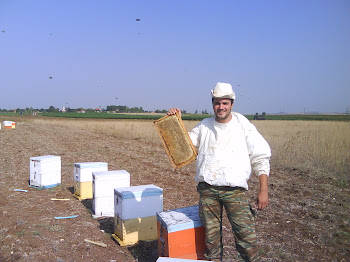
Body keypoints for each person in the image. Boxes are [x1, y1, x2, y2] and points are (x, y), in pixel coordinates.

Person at [167, 82, 271, 262]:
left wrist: (263, 190)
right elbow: (183, 147)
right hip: (208, 191)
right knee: (211, 243)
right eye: (217, 103)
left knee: (247, 240)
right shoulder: (204, 126)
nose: (221, 107)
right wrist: (176, 122)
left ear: (231, 104)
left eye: (225, 103)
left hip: (235, 192)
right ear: (212, 103)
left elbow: (260, 157)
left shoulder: (242, 125)